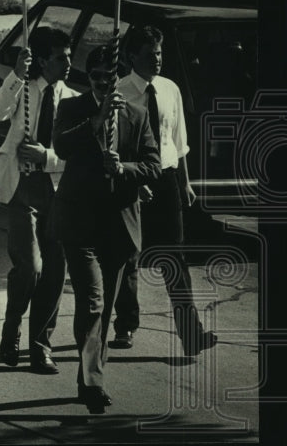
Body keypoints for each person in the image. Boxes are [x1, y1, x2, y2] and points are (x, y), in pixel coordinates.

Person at [51, 44, 161, 413]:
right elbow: (62, 146)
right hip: (79, 223)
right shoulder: (72, 108)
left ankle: (87, 377)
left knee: (106, 307)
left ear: (119, 78)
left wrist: (124, 170)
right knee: (93, 302)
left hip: (117, 225)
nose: (101, 83)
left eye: (108, 77)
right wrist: (95, 121)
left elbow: (153, 166)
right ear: (89, 78)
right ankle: (94, 382)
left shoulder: (138, 113)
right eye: (95, 77)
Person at [111, 26, 218, 356]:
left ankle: (191, 334)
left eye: (159, 53)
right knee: (127, 256)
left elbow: (178, 140)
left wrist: (183, 181)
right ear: (131, 57)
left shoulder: (170, 89)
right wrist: (135, 181)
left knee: (175, 257)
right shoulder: (120, 92)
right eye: (148, 54)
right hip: (132, 180)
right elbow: (116, 145)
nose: (156, 60)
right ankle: (125, 324)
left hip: (167, 178)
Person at [0, 26, 77, 374]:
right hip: (23, 188)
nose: (69, 63)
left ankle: (41, 347)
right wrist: (15, 75)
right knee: (31, 267)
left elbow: (79, 153)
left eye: (69, 56)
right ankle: (12, 328)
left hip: (57, 190)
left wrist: (48, 157)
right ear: (42, 60)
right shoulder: (23, 89)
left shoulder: (72, 99)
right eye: (61, 58)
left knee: (55, 271)